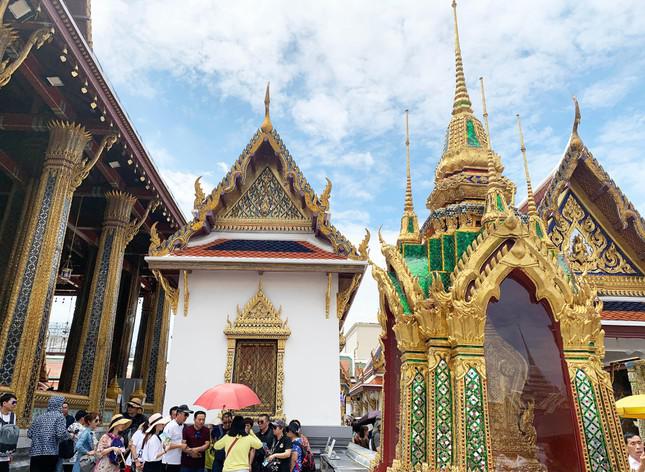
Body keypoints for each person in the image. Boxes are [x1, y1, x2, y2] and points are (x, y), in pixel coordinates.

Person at [27, 395, 69, 471]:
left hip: (35, 453)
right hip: (50, 452)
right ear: (59, 405)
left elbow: (29, 433)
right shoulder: (59, 417)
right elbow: (60, 434)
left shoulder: (39, 417)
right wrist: (69, 435)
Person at [162, 404, 192, 471]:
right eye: (185, 414)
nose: (186, 417)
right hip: (168, 462)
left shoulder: (183, 426)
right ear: (178, 414)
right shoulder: (169, 426)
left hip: (178, 462)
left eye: (188, 415)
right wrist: (180, 445)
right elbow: (165, 445)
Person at [0, 393, 18, 472]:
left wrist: (10, 454)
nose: (15, 405)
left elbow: (12, 435)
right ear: (4, 403)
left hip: (5, 453)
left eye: (16, 403)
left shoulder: (13, 416)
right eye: (13, 402)